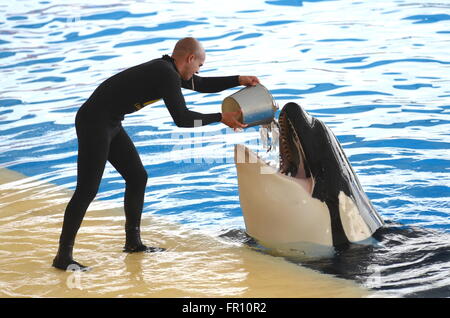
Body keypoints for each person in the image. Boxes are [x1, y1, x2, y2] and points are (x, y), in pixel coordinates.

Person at [52, 37, 260, 271]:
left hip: (110, 122)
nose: (198, 71)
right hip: (94, 123)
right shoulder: (166, 74)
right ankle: (63, 256)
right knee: (87, 189)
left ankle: (133, 242)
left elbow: (201, 84)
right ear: (190, 58)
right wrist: (220, 117)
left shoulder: (169, 71)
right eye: (199, 65)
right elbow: (182, 119)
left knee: (137, 176)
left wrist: (238, 80)